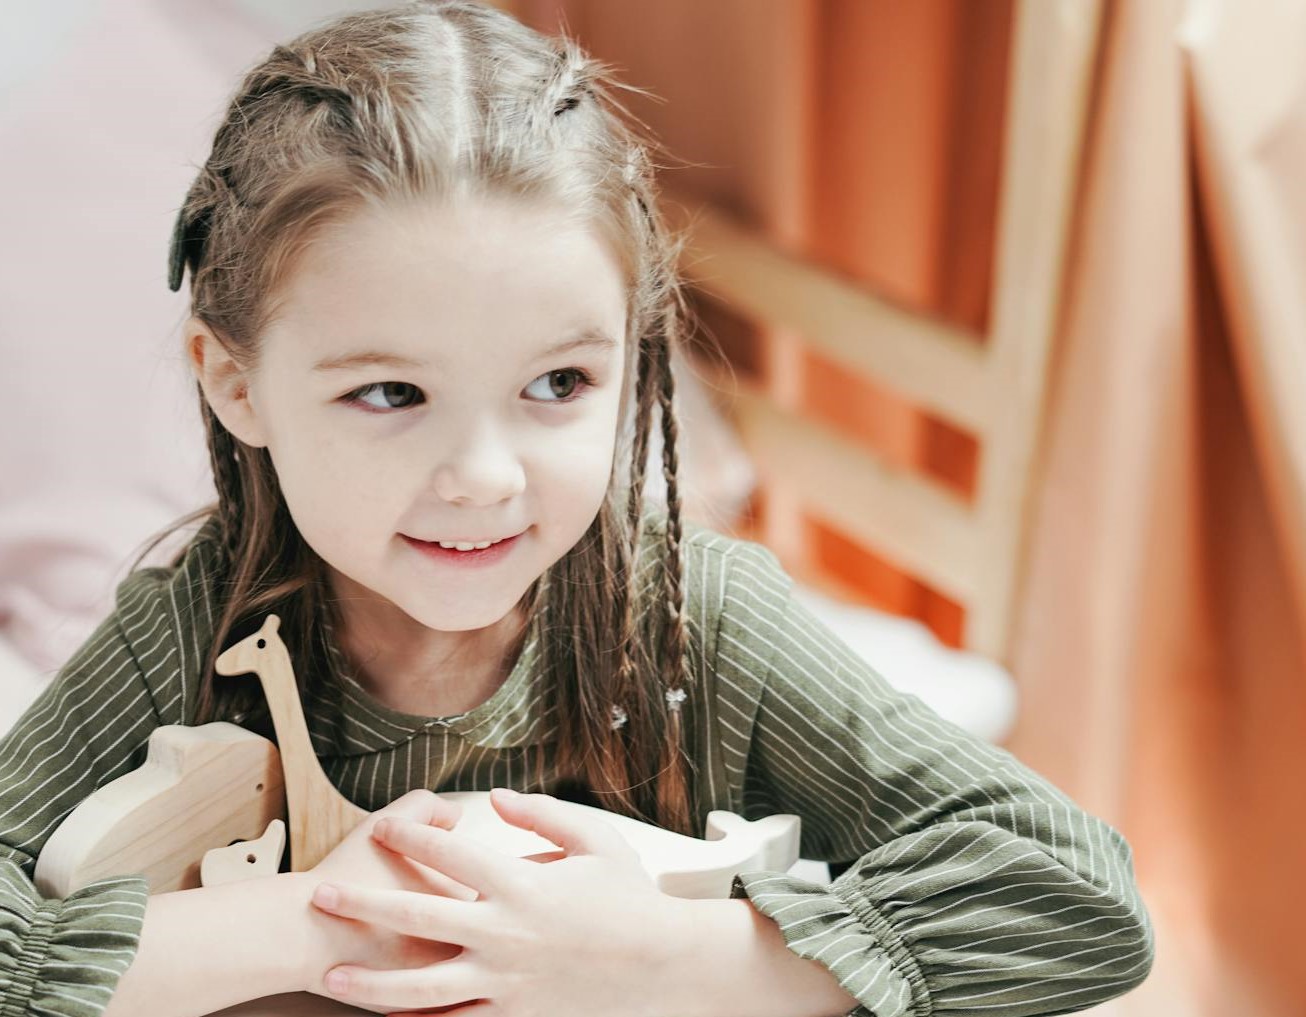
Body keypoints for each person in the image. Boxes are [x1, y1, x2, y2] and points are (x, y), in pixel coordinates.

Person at [0, 2, 1156, 1015]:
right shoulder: (201, 628)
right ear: (235, 383)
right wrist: (332, 918)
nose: (485, 476)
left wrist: (683, 959)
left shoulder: (694, 625)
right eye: (390, 393)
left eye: (557, 384)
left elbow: (1072, 894)